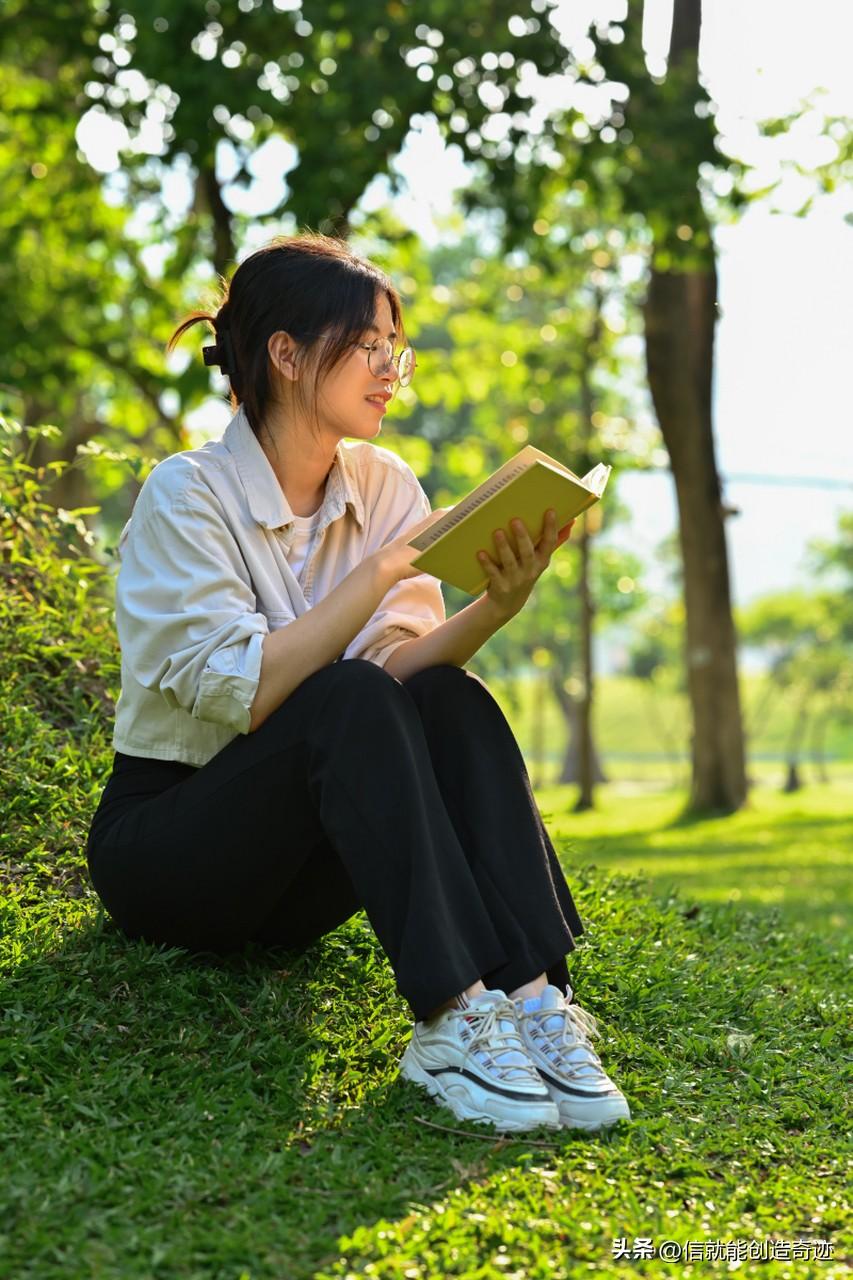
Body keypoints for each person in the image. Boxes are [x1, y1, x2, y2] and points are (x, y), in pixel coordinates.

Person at [85, 231, 630, 1134]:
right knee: (342, 696)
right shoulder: (188, 495)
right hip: (174, 852)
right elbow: (250, 694)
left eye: (392, 348)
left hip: (304, 867)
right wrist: (379, 571)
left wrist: (495, 605)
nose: (390, 370)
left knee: (444, 695)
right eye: (367, 346)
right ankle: (450, 1020)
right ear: (287, 355)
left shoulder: (382, 482)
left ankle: (532, 999)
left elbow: (395, 677)